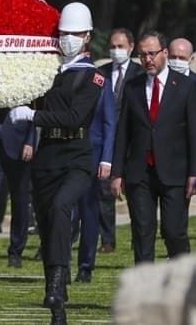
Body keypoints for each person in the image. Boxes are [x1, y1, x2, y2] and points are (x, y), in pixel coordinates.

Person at [7, 2, 106, 325]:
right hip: (47, 157)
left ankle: (58, 280)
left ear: (87, 37)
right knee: (49, 225)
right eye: (63, 34)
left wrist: (33, 115)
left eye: (74, 34)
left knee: (63, 205)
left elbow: (76, 116)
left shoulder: (92, 77)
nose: (67, 40)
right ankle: (57, 301)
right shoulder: (47, 71)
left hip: (76, 156)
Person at [110, 31, 196, 263]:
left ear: (164, 53)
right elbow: (123, 132)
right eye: (142, 55)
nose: (147, 60)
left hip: (175, 172)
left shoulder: (185, 86)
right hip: (140, 172)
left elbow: (194, 133)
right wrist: (117, 172)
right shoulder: (132, 87)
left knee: (173, 231)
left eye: (152, 54)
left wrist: (195, 173)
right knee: (142, 233)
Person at [95, 27, 143, 254]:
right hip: (108, 139)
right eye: (113, 47)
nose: (116, 51)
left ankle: (139, 236)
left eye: (120, 47)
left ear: (131, 47)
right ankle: (107, 239)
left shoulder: (140, 73)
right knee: (105, 191)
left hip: (133, 139)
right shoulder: (101, 73)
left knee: (136, 192)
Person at [72, 51, 116, 284]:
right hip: (66, 154)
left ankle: (85, 265)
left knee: (88, 212)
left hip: (92, 154)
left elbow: (109, 123)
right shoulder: (60, 78)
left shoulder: (100, 82)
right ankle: (60, 262)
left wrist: (106, 159)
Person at [0, 107, 36, 269]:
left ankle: (16, 251)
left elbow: (35, 106)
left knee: (20, 200)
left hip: (19, 140)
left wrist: (30, 141)